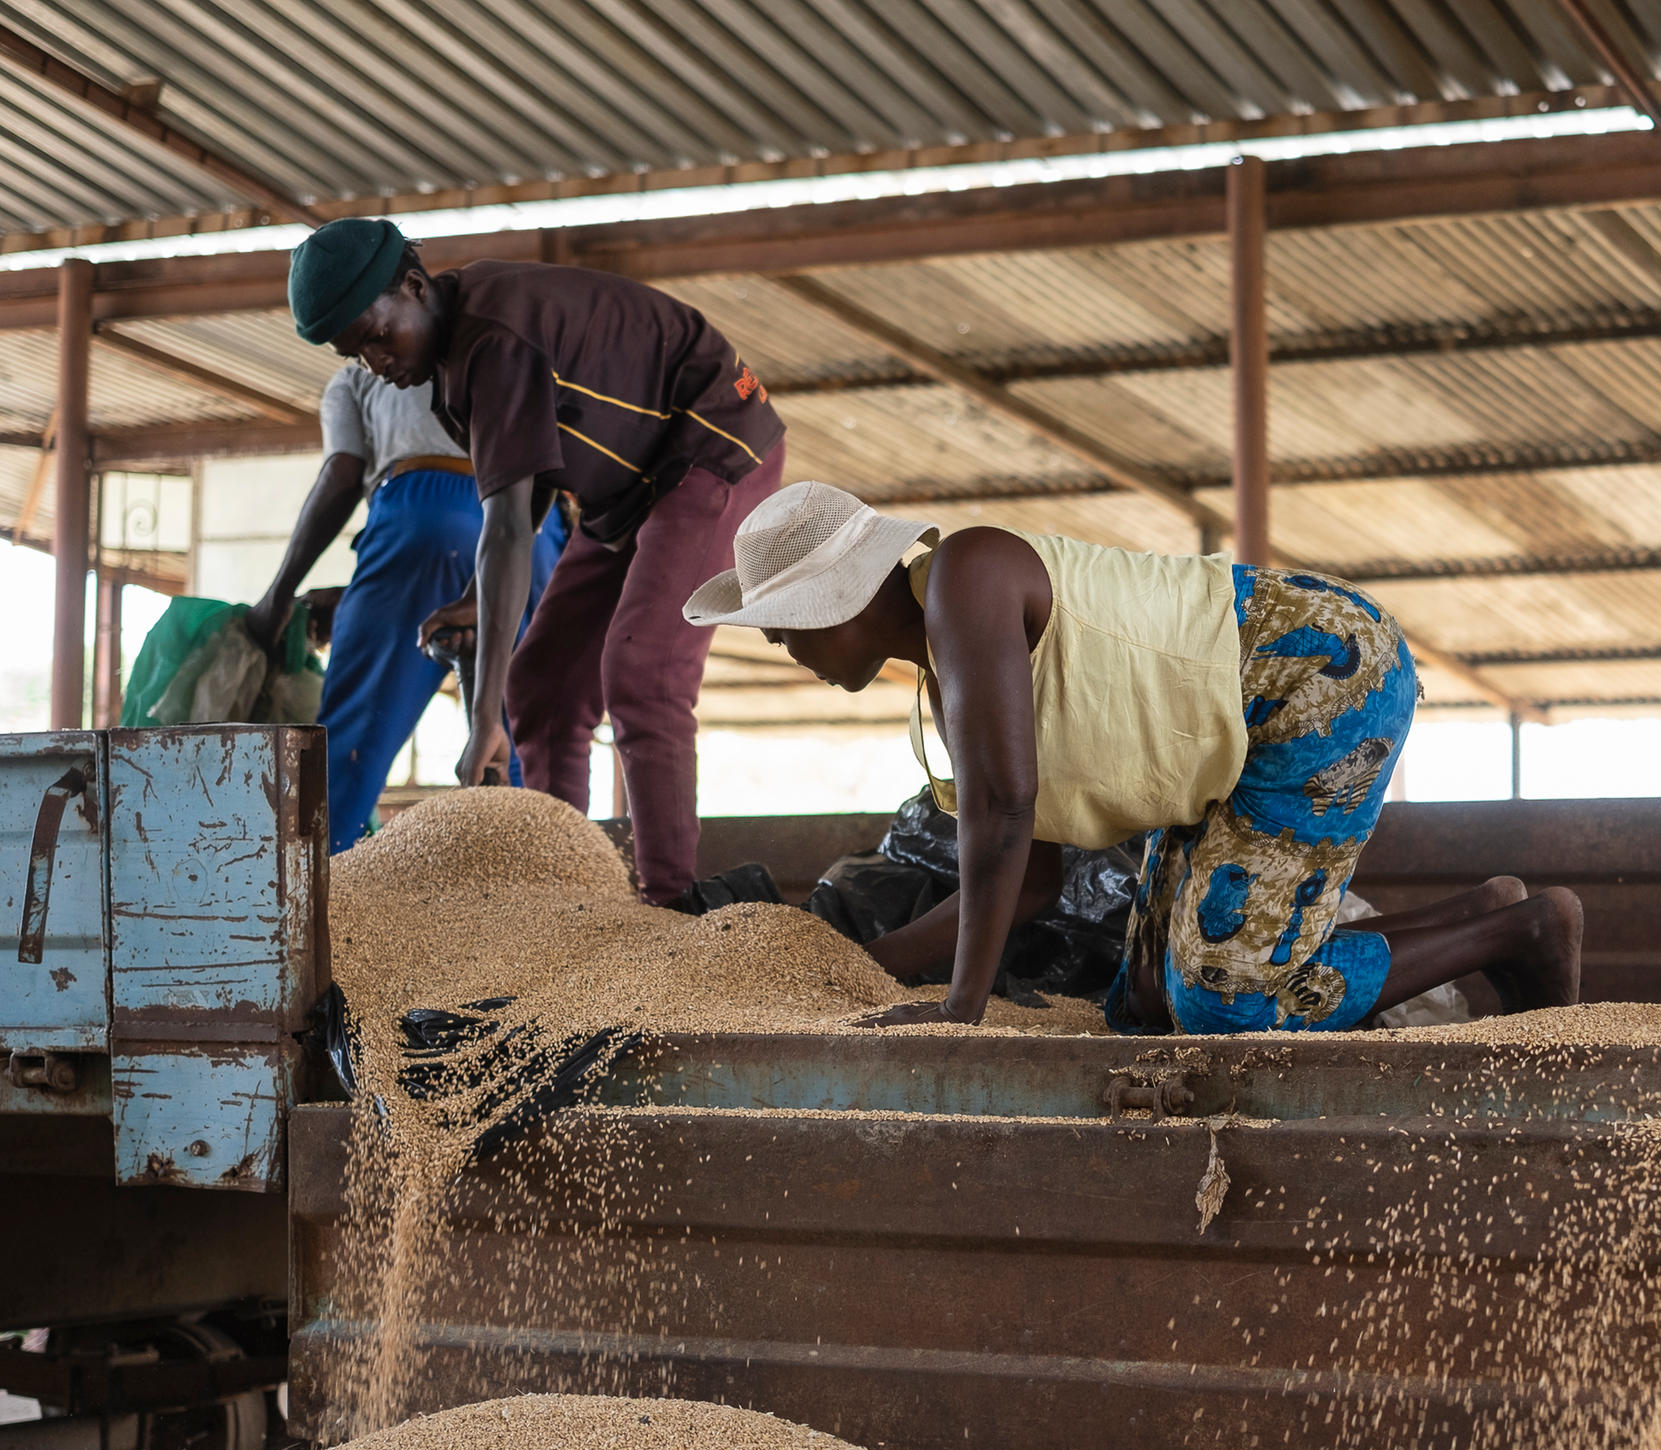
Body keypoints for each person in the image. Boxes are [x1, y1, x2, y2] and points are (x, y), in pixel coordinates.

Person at [682, 482, 1584, 1032]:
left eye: (783, 633)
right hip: (1224, 755)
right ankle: (1482, 912)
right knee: (1144, 998)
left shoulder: (969, 575)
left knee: (1222, 1007)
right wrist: (871, 964)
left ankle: (1522, 931)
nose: (785, 652)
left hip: (1316, 675)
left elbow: (1002, 815)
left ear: (834, 605)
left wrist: (958, 1005)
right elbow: (1028, 877)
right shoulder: (949, 687)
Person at [285, 217, 787, 903]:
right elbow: (529, 489)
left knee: (641, 672)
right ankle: (566, 897)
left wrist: (483, 714)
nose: (377, 361)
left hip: (712, 443)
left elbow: (506, 533)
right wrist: (475, 597)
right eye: (358, 354)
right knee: (544, 688)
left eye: (377, 334)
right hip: (628, 491)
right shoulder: (455, 362)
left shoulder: (491, 335)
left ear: (413, 285)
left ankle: (669, 905)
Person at [247, 363, 566, 852]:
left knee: (352, 746)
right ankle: (542, 897)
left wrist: (279, 592)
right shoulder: (503, 344)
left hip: (419, 514)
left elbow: (343, 471)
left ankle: (314, 901)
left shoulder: (356, 374)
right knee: (524, 742)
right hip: (530, 526)